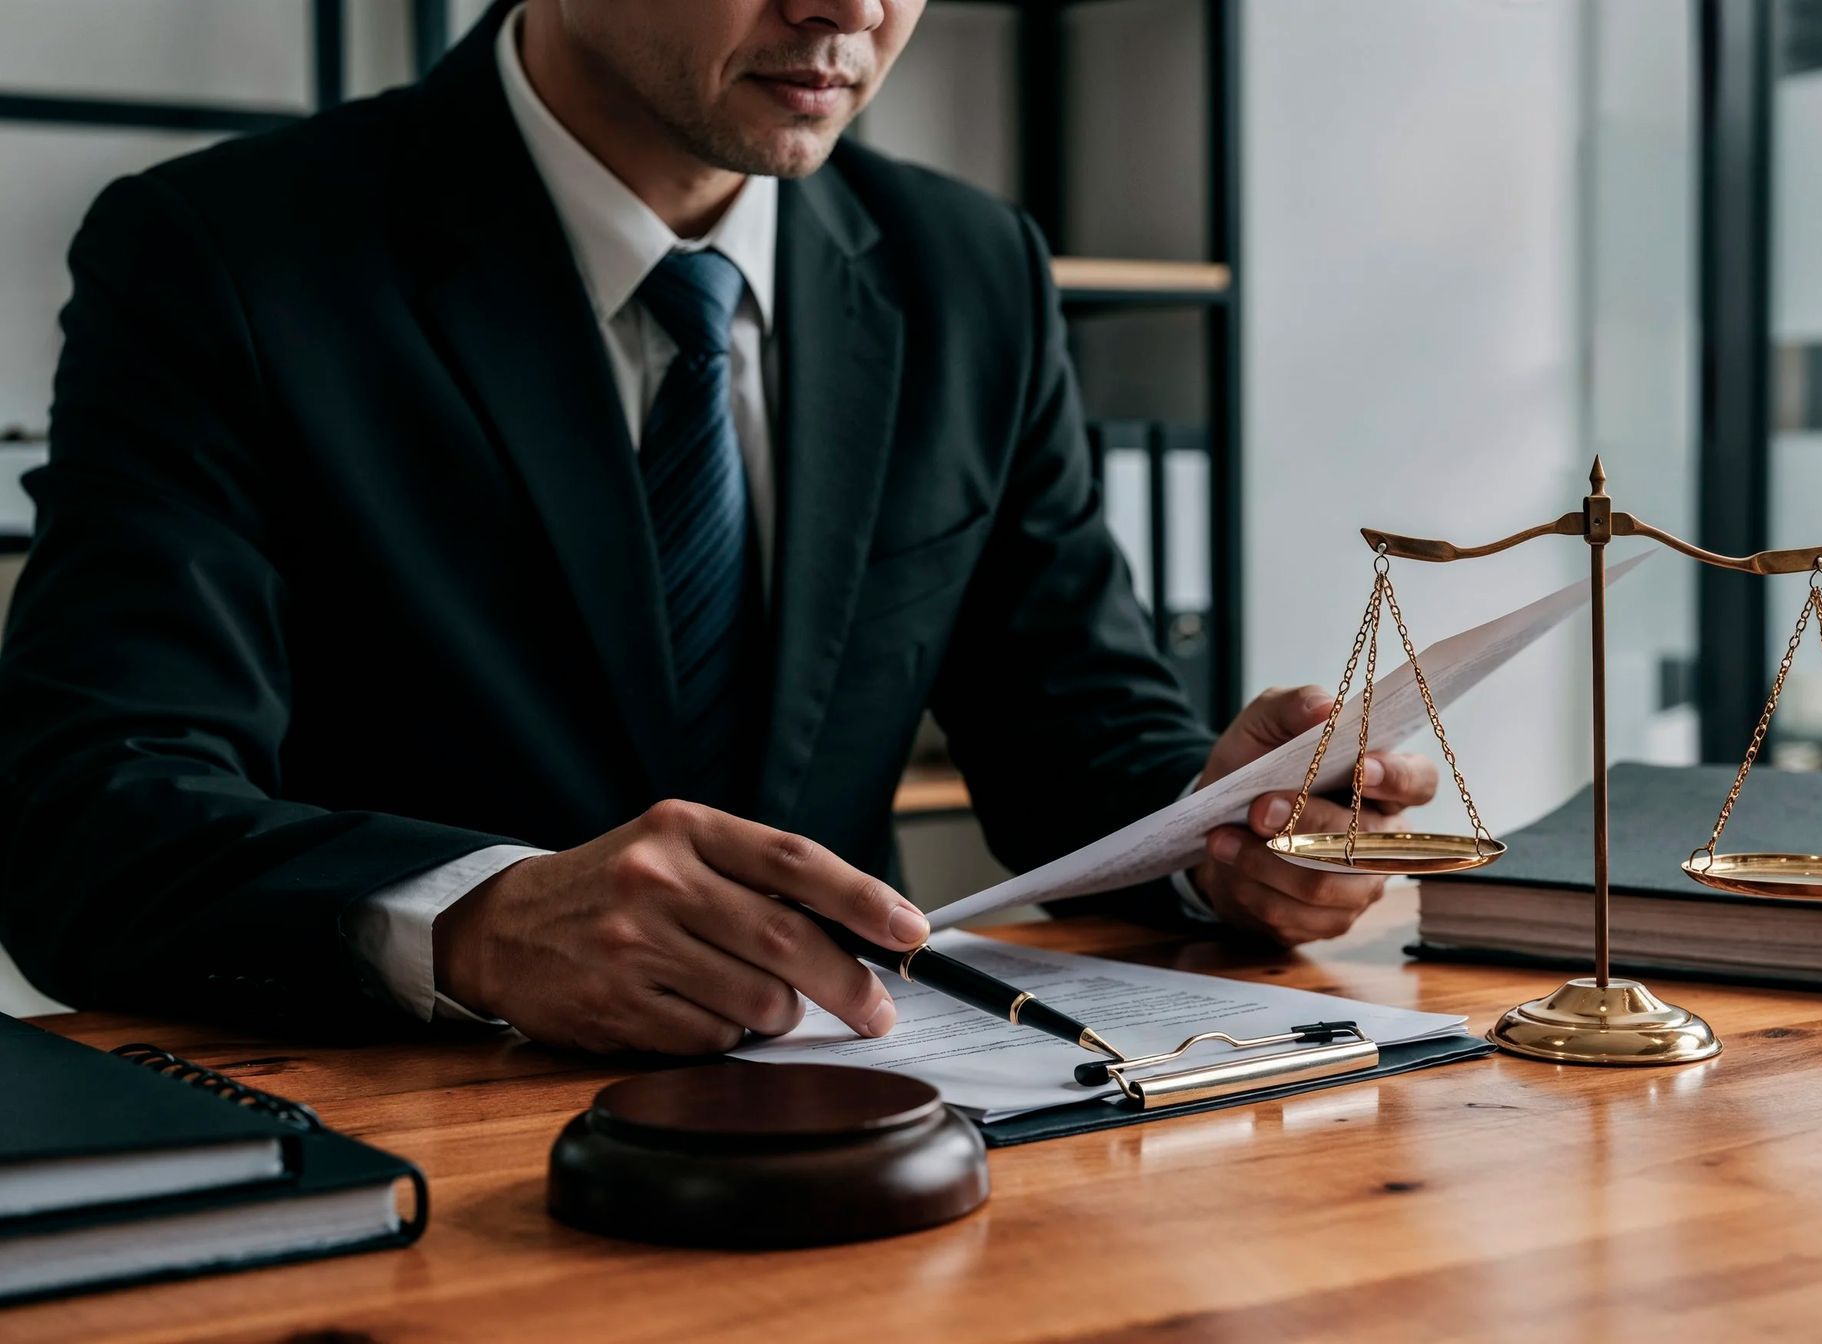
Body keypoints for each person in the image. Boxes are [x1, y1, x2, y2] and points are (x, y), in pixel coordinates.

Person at [0, 0, 1435, 1053]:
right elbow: (90, 828)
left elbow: (1075, 736)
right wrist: (475, 920)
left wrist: (1224, 834)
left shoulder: (969, 270)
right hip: (415, 1144)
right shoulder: (222, 256)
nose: (851, 12)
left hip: (868, 1125)